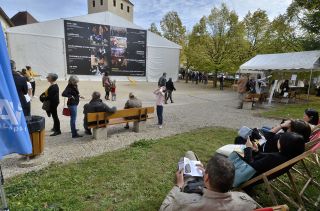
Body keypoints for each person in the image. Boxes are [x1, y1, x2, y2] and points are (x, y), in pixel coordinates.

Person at [159, 153, 257, 211]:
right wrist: (208, 174)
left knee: (187, 156)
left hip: (192, 188)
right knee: (190, 155)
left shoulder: (184, 200)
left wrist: (178, 185)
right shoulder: (247, 202)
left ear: (206, 178)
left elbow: (164, 208)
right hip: (207, 186)